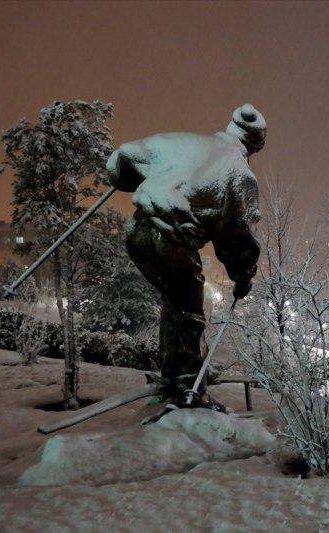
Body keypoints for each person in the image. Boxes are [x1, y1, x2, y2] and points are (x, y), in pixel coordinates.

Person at [106, 104, 265, 406]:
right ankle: (186, 387)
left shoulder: (183, 142)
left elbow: (124, 156)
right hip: (171, 240)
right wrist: (242, 276)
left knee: (176, 302)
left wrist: (121, 177)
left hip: (138, 233)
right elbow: (237, 236)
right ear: (254, 145)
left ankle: (174, 372)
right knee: (189, 312)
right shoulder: (240, 175)